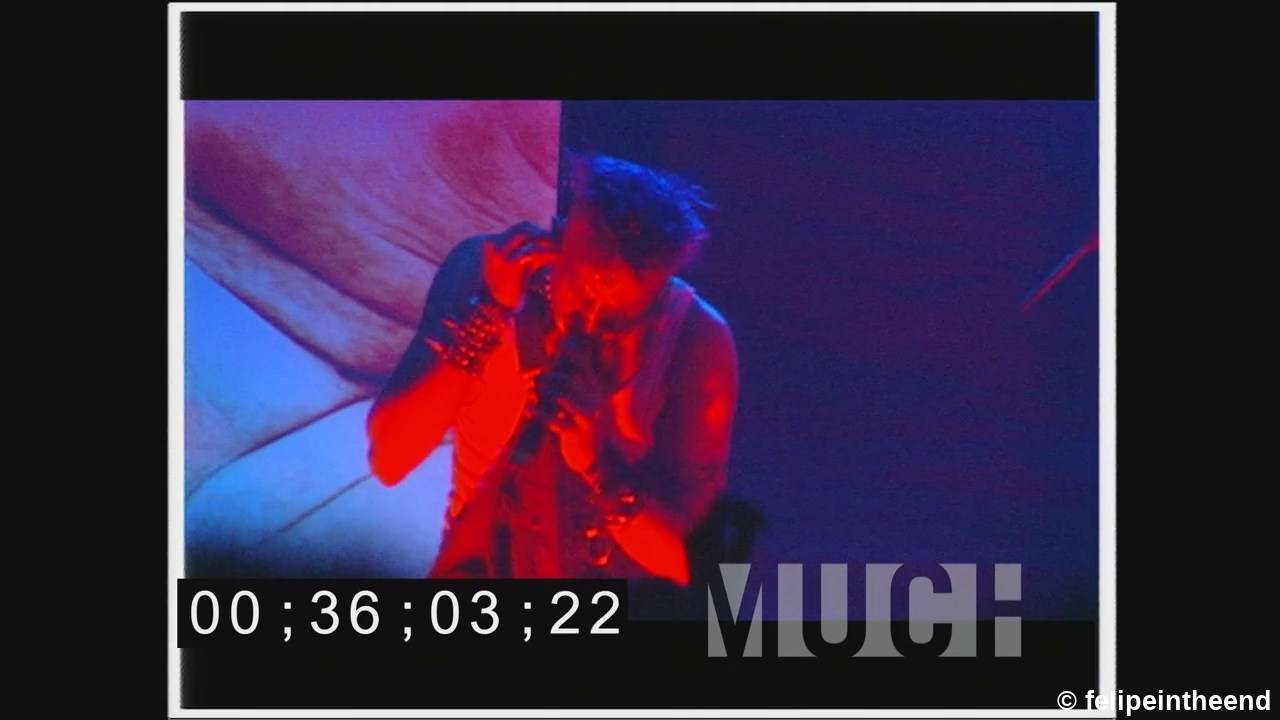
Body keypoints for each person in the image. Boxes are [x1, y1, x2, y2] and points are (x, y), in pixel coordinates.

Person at [365, 152, 738, 586]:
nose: (590, 321)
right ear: (561, 236)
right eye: (578, 293)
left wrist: (599, 467)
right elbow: (389, 459)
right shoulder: (486, 272)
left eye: (618, 319)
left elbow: (694, 564)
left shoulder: (696, 339)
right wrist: (488, 314)